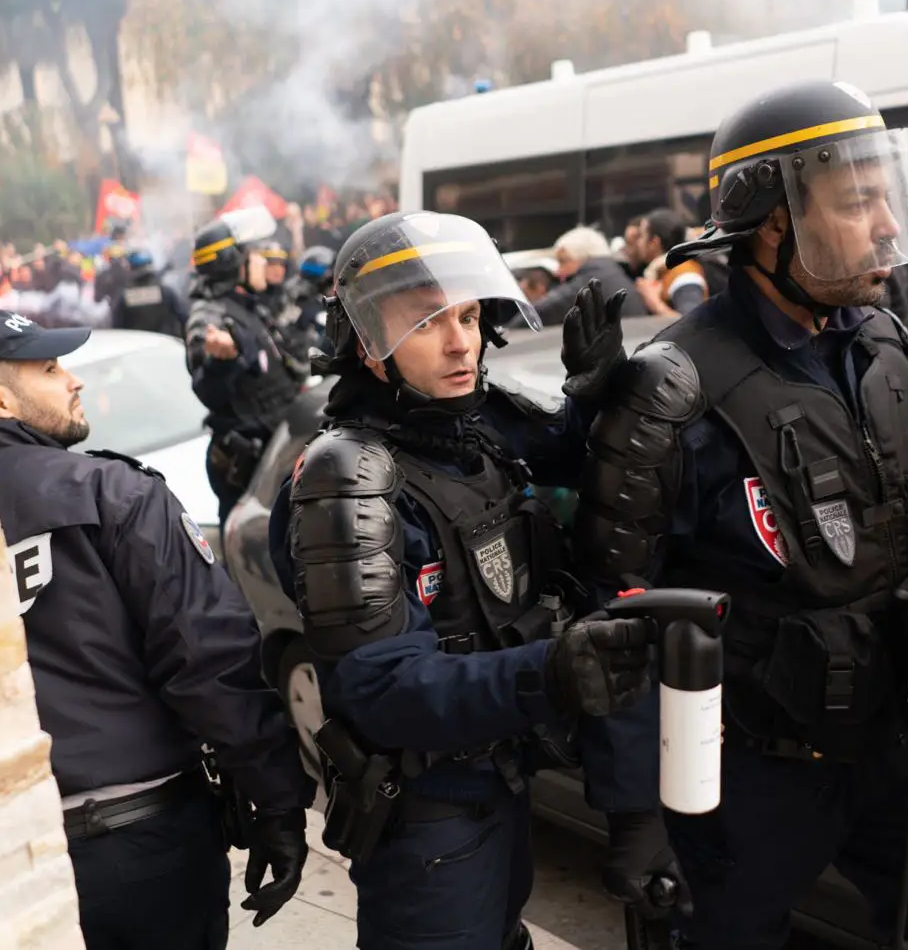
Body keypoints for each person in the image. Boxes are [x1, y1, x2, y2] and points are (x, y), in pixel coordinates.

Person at [572, 80, 908, 950]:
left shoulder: (884, 344)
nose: (887, 224)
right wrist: (636, 810)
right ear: (774, 222)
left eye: (887, 196)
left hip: (890, 746)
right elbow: (614, 617)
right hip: (751, 782)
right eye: (858, 202)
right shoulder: (674, 388)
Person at [269, 211, 674, 950]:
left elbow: (569, 450)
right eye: (426, 321)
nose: (461, 342)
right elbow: (383, 688)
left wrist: (591, 390)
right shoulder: (345, 479)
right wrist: (550, 672)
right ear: (369, 345)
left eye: (467, 315)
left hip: (502, 780)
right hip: (428, 818)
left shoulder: (470, 420)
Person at [0, 308, 312, 950]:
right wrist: (277, 800)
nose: (73, 380)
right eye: (49, 369)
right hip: (139, 846)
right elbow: (209, 659)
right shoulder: (110, 494)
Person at [184, 207, 310, 530]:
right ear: (233, 263)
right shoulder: (210, 316)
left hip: (277, 455)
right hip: (250, 469)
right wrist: (220, 361)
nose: (262, 261)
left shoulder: (247, 306)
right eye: (255, 254)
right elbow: (207, 386)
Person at [534, 225, 650, 326]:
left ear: (583, 257)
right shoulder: (614, 274)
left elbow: (537, 315)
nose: (558, 271)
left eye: (563, 261)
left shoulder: (586, 285)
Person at [633, 208, 708, 318]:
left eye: (641, 236)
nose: (637, 243)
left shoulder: (685, 275)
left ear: (654, 242)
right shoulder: (663, 270)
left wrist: (654, 302)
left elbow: (693, 322)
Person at [111, 248, 187, 338]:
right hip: (165, 344)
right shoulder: (166, 292)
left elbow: (117, 328)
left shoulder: (124, 297)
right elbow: (184, 318)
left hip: (137, 345)